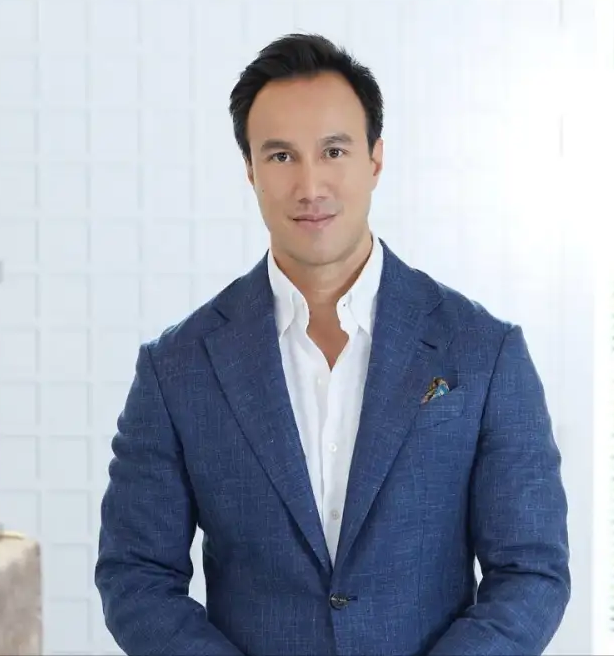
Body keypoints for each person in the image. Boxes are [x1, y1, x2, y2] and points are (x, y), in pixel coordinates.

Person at [95, 33, 570, 656]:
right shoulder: (177, 368)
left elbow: (531, 573)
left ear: (375, 160)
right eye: (281, 156)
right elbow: (135, 576)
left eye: (334, 151)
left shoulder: (485, 352)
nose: (310, 184)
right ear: (250, 170)